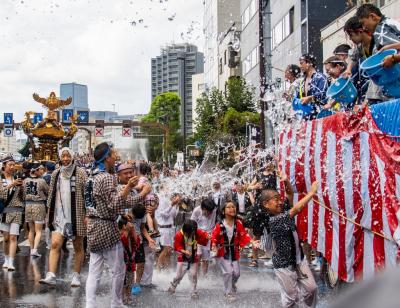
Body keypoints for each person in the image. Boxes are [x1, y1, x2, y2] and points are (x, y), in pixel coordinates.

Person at [84, 142, 151, 308]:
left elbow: (109, 202)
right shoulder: (106, 177)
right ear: (107, 158)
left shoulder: (91, 176)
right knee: (118, 270)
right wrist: (139, 192)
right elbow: (115, 204)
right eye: (113, 154)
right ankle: (116, 303)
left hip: (93, 226)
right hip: (107, 227)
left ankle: (90, 305)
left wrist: (133, 191)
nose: (116, 156)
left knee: (94, 271)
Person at [260, 181, 319, 308]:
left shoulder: (283, 211)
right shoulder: (272, 220)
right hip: (283, 265)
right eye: (276, 200)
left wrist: (286, 180)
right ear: (266, 204)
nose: (280, 202)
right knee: (291, 297)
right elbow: (297, 209)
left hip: (299, 260)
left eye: (280, 199)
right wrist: (312, 193)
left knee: (312, 288)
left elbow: (290, 193)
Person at [40, 148, 87, 287]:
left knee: (78, 246)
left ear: (72, 157)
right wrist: (48, 214)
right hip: (59, 215)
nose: (65, 159)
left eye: (68, 156)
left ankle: (76, 275)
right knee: (55, 244)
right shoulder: (56, 173)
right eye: (63, 156)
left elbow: (87, 194)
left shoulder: (81, 173)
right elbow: (51, 195)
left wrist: (88, 214)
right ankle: (51, 275)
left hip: (77, 214)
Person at [116, 163, 155, 296]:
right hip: (122, 238)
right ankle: (120, 295)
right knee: (123, 266)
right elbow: (122, 199)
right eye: (125, 173)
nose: (129, 175)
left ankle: (133, 287)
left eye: (131, 172)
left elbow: (143, 226)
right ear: (118, 176)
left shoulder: (135, 191)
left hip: (136, 238)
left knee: (137, 263)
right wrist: (143, 191)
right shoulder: (118, 188)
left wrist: (149, 239)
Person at [211, 200, 255, 302]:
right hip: (223, 252)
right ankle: (228, 293)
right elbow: (214, 237)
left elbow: (244, 234)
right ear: (223, 212)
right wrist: (213, 245)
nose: (232, 209)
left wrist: (252, 242)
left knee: (236, 273)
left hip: (234, 251)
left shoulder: (238, 223)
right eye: (229, 207)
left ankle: (231, 284)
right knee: (228, 272)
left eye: (233, 207)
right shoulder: (219, 225)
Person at [168, 219, 209, 299]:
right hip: (182, 259)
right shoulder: (179, 235)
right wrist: (184, 251)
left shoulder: (195, 232)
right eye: (191, 232)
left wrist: (207, 236)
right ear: (186, 231)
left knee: (194, 275)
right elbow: (177, 246)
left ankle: (193, 291)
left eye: (194, 232)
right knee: (179, 276)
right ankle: (173, 286)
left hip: (193, 258)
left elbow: (203, 234)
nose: (194, 233)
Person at [0, 157, 24, 271]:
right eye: (10, 164)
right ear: (4, 166)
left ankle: (11, 261)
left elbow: (22, 196)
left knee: (13, 237)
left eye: (13, 164)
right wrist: (12, 185)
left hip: (17, 210)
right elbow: (1, 193)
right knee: (6, 238)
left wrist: (22, 187)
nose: (12, 167)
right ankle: (6, 258)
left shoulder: (17, 178)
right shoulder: (1, 178)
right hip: (4, 211)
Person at [342, 16, 372, 104]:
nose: (350, 39)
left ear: (360, 31)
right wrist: (348, 70)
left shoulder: (376, 45)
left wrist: (366, 100)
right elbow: (353, 57)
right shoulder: (360, 46)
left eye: (351, 35)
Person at [23, 162, 49, 258]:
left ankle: (31, 249)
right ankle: (34, 250)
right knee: (38, 231)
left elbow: (23, 194)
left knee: (31, 230)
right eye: (40, 169)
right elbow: (48, 191)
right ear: (36, 170)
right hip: (39, 206)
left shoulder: (25, 180)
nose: (42, 171)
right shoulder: (41, 181)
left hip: (28, 206)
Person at [190, 197, 217, 276]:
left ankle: (204, 276)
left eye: (211, 212)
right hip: (198, 235)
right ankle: (195, 274)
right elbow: (192, 225)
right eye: (208, 212)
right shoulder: (196, 211)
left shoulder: (214, 210)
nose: (209, 214)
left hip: (209, 236)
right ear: (203, 208)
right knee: (198, 256)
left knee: (206, 258)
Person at [298, 53, 328, 120]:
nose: (300, 66)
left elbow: (323, 95)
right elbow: (300, 98)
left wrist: (311, 98)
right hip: (306, 118)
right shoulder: (302, 81)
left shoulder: (320, 78)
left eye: (301, 63)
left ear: (309, 63)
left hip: (320, 116)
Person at [155, 193, 180, 271]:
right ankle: (158, 269)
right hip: (163, 229)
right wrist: (172, 204)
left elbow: (174, 216)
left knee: (169, 251)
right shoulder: (162, 201)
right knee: (166, 249)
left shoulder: (173, 204)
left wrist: (176, 205)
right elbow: (163, 214)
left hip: (170, 229)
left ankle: (167, 270)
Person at [134, 162, 159, 238]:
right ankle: (156, 230)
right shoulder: (147, 178)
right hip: (151, 198)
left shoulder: (141, 178)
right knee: (153, 216)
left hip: (147, 199)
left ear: (138, 171)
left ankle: (151, 230)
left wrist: (130, 186)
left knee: (147, 214)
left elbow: (139, 187)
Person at [118, 214, 138, 290]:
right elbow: (124, 240)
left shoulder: (130, 235)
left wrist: (133, 230)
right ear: (124, 226)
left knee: (130, 284)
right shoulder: (119, 236)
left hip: (130, 264)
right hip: (122, 266)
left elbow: (136, 242)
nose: (131, 225)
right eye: (129, 223)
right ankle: (122, 300)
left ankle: (128, 299)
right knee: (122, 285)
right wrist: (131, 230)